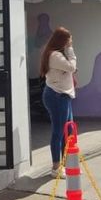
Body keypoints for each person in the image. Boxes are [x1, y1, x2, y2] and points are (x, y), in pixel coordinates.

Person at [40, 27, 77, 175]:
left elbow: (69, 69)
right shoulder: (54, 55)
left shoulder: (56, 54)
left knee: (69, 131)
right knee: (59, 132)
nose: (70, 43)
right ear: (62, 41)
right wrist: (70, 50)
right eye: (69, 40)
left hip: (63, 95)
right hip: (57, 96)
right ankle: (56, 167)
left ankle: (67, 164)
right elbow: (71, 67)